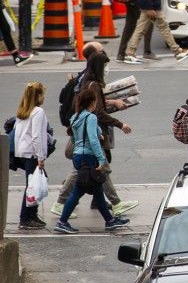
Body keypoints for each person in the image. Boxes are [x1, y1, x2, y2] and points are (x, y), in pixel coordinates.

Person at [51, 50, 137, 218]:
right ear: (99, 66)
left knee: (98, 171)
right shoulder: (94, 85)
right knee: (88, 170)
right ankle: (61, 204)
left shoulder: (86, 81)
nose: (106, 69)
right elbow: (98, 113)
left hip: (83, 133)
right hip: (88, 137)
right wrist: (120, 124)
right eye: (105, 66)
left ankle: (114, 204)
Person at [54, 84, 131, 234]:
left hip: (78, 155)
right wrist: (101, 159)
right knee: (78, 190)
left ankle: (110, 220)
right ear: (92, 102)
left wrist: (96, 133)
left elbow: (76, 137)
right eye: (96, 101)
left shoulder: (75, 117)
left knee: (97, 190)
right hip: (88, 157)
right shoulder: (91, 117)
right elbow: (93, 139)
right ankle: (62, 221)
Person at [13, 82, 48, 229]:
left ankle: (32, 214)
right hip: (32, 153)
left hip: (22, 152)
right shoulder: (38, 112)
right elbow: (36, 136)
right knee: (32, 185)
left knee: (35, 182)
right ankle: (25, 218)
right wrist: (40, 157)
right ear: (38, 95)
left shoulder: (23, 110)